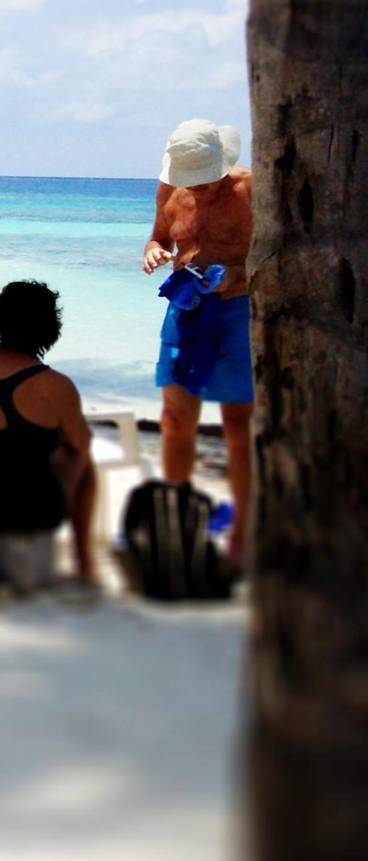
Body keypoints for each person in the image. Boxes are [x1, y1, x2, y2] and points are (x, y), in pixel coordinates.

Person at [142, 118, 252, 564]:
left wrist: (239, 277)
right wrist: (152, 250)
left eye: (207, 180)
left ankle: (244, 531)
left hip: (239, 310)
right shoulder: (170, 190)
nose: (199, 189)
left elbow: (285, 256)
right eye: (193, 182)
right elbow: (157, 236)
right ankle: (177, 517)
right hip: (185, 308)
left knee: (239, 428)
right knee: (173, 419)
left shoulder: (251, 190)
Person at [0, 281, 98, 588]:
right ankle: (85, 562)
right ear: (50, 328)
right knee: (81, 458)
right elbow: (80, 446)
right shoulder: (56, 385)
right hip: (24, 521)